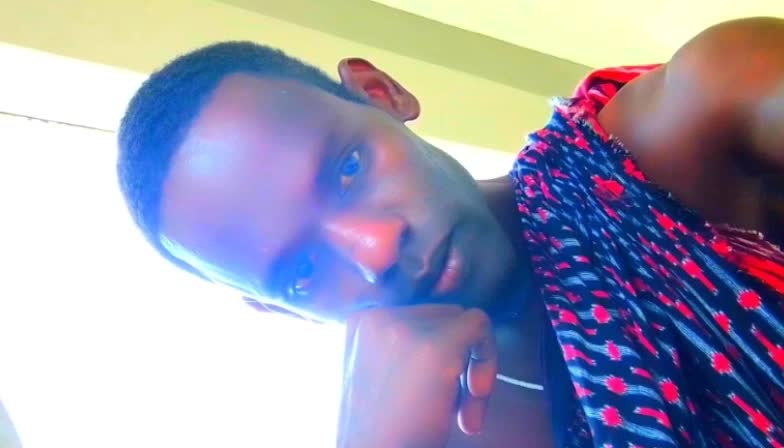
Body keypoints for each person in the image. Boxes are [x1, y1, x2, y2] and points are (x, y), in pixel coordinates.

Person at [116, 16, 784, 447]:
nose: (375, 250)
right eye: (302, 272)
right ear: (281, 310)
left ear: (381, 95)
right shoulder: (426, 432)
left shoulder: (684, 130)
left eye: (347, 168)